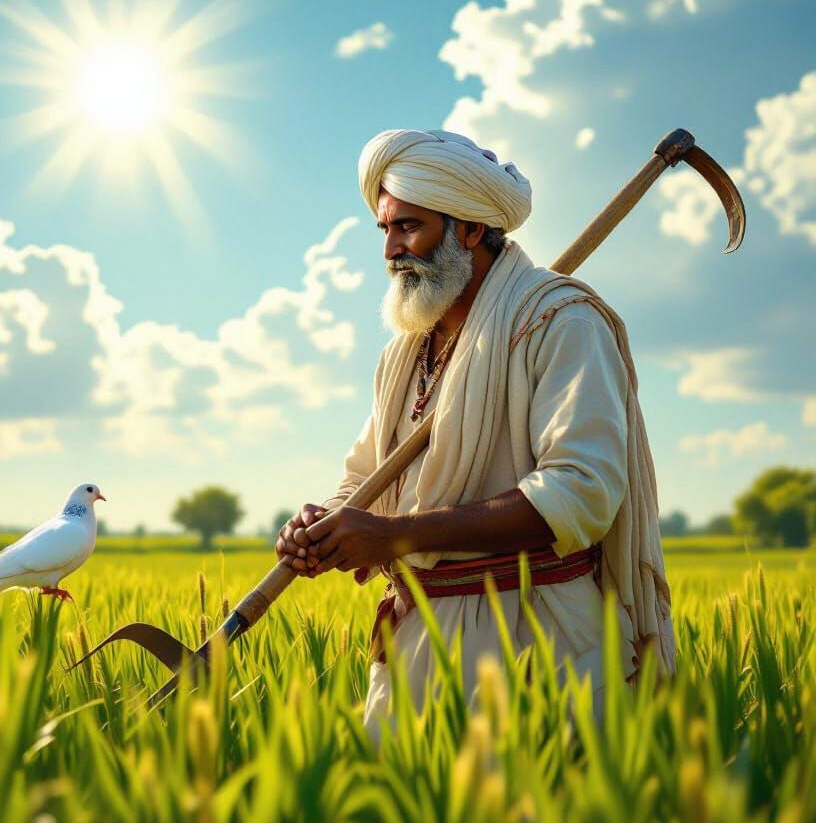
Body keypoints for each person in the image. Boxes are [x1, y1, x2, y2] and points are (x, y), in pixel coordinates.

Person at [274, 128, 675, 743]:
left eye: (408, 227)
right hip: (416, 644)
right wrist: (324, 524)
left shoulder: (561, 323)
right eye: (384, 230)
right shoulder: (405, 353)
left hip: (538, 644)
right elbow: (365, 481)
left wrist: (394, 536)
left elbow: (580, 491)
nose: (390, 250)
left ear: (468, 229)